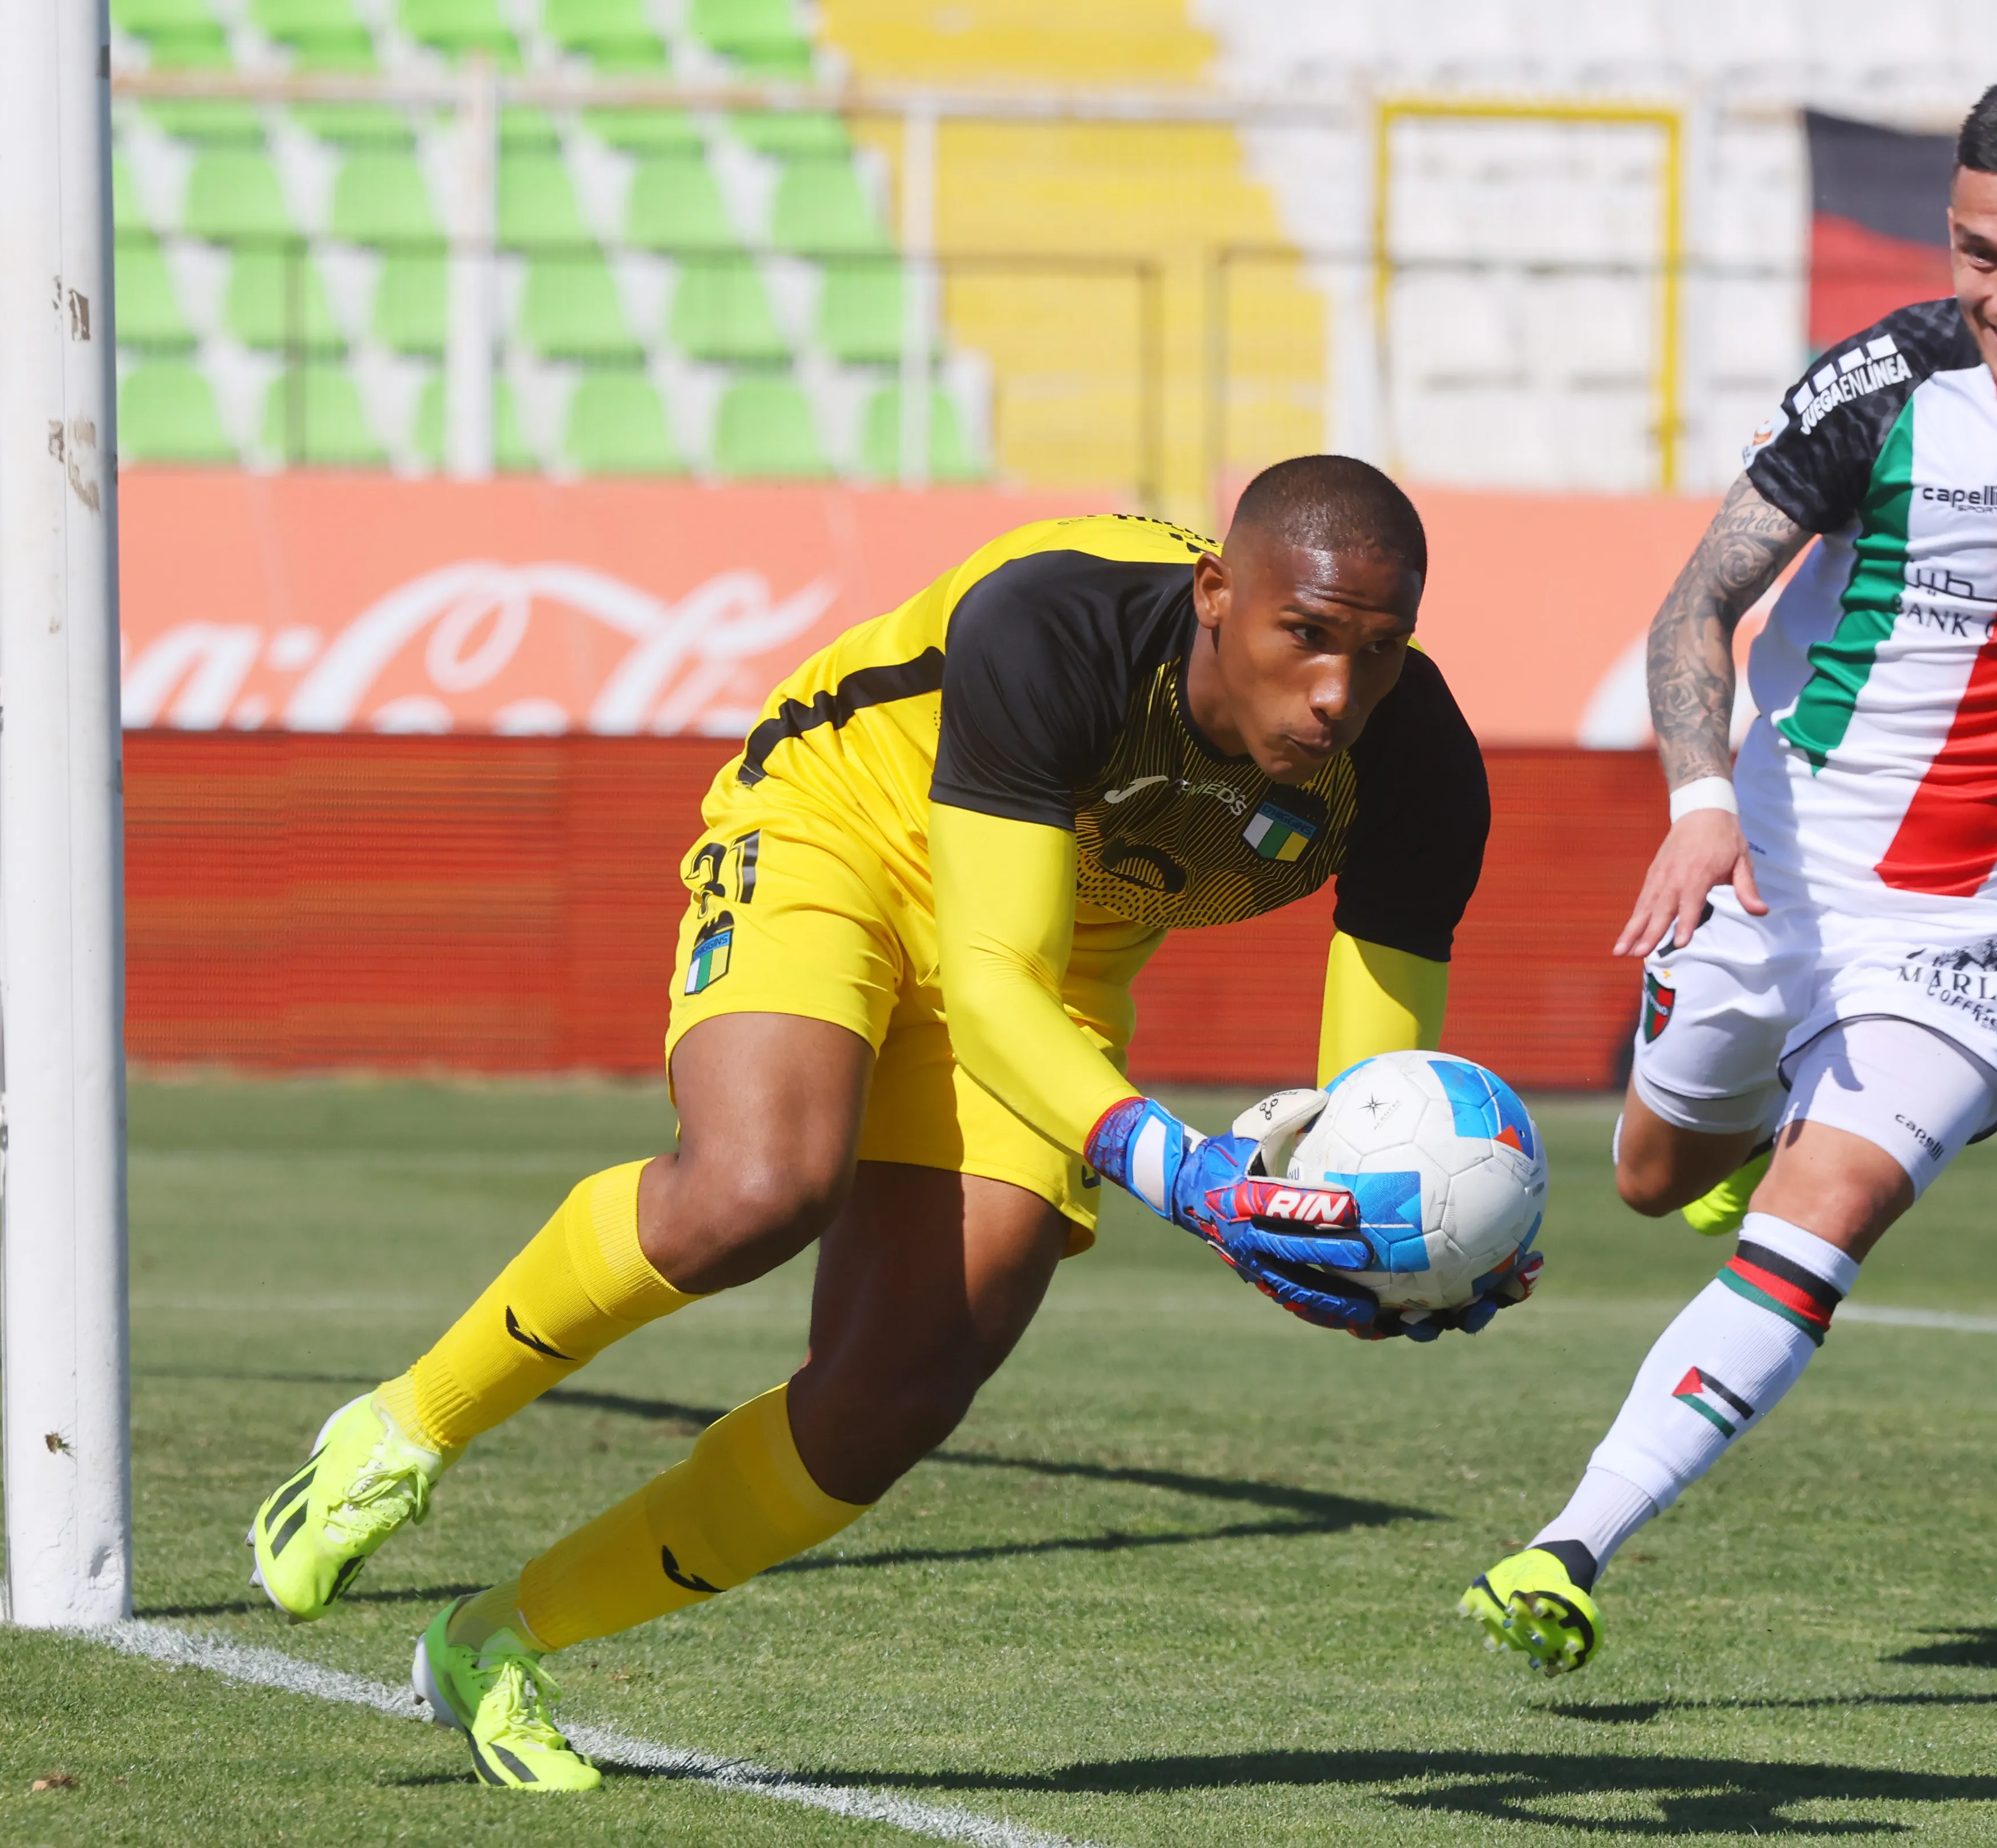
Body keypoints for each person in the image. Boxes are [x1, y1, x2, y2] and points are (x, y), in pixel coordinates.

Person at [248, 457, 1517, 1789]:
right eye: (1305, 635)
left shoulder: (1419, 771)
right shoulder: (1060, 622)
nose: (1337, 692)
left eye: (1376, 654)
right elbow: (986, 979)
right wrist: (1175, 1167)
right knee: (760, 1184)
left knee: (902, 1387)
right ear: (1216, 594)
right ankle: (402, 1427)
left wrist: (1384, 1245)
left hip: (1059, 953)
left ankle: (497, 1640)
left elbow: (1369, 1108)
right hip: (845, 831)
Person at [1461, 70, 1997, 1674]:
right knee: (1651, 1174)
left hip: (1985, 926)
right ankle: (1731, 1147)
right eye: (1973, 252)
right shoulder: (1876, 396)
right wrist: (1698, 797)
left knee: (1825, 1212)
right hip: (1777, 861)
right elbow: (1691, 607)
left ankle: (1566, 1540)